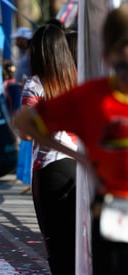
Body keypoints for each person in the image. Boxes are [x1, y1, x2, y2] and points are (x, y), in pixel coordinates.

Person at [12, 4, 128, 274]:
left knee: (63, 249)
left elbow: (24, 126)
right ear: (107, 55)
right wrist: (77, 155)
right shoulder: (87, 93)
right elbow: (24, 123)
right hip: (110, 208)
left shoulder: (75, 89)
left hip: (67, 179)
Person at [19, 23, 78, 275]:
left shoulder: (35, 85)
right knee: (78, 242)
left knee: (56, 244)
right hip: (79, 168)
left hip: (49, 169)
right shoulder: (79, 81)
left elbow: (25, 132)